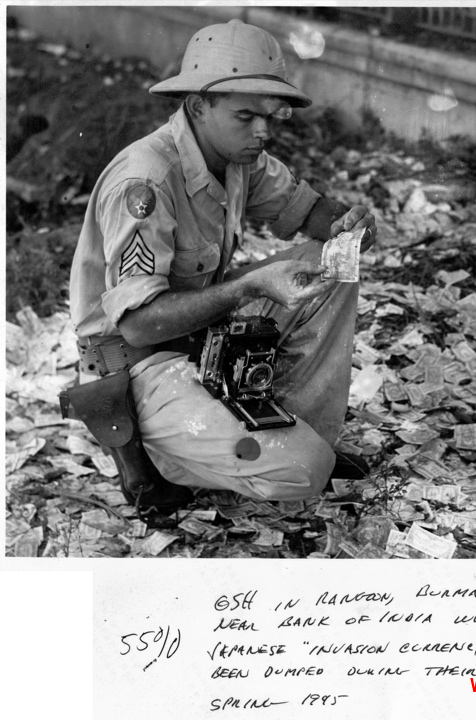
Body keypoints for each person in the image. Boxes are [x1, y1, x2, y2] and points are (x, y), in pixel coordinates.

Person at [67, 18, 377, 513]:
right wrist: (248, 287)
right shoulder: (145, 181)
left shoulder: (237, 157)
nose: (262, 131)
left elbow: (310, 212)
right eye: (246, 116)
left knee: (329, 264)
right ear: (197, 106)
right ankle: (158, 453)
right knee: (303, 472)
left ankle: (296, 430)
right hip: (139, 363)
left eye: (270, 118)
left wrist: (349, 224)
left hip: (202, 337)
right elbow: (139, 324)